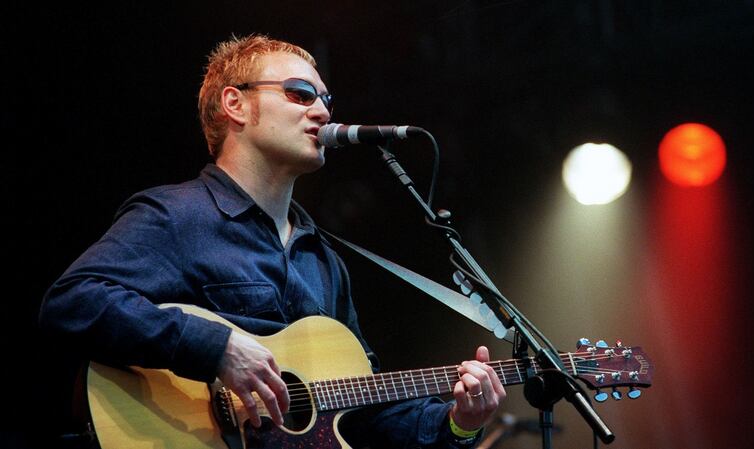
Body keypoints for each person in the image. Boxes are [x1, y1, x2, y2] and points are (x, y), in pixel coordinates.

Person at [39, 33, 506, 448]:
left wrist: (459, 422)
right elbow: (72, 302)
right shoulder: (177, 216)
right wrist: (217, 348)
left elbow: (361, 413)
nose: (322, 111)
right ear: (235, 104)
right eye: (300, 93)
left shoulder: (323, 259)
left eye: (326, 99)